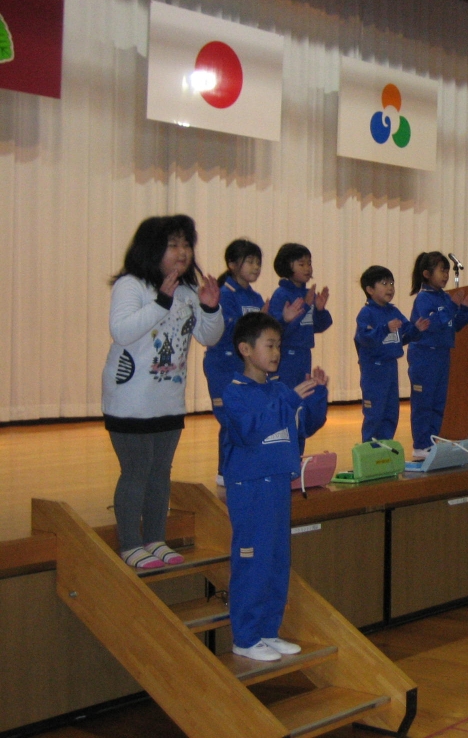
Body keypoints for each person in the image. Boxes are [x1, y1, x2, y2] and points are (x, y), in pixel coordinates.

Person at [101, 215, 223, 570]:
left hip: (168, 399)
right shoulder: (131, 285)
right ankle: (130, 544)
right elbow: (122, 331)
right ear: (152, 249)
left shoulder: (186, 291)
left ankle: (155, 540)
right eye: (173, 245)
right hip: (130, 400)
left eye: (186, 244)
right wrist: (160, 302)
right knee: (136, 471)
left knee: (160, 473)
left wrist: (210, 307)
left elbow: (209, 336)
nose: (183, 252)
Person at [221, 312, 328, 661]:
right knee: (252, 562)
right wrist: (289, 401)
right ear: (245, 349)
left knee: (277, 561)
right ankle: (245, 637)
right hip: (251, 488)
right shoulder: (234, 393)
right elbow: (249, 431)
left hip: (279, 485)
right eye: (269, 345)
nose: (277, 353)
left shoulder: (280, 389)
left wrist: (318, 395)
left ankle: (269, 631)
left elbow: (305, 425)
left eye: (279, 346)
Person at [204, 239, 267, 484]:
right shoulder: (224, 294)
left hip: (245, 365)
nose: (256, 267)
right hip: (223, 364)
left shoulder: (255, 297)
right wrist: (258, 320)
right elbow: (227, 330)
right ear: (232, 264)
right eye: (249, 261)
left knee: (248, 418)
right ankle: (225, 471)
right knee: (230, 418)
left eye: (258, 262)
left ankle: (245, 466)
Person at [408, 252, 468, 459]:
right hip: (424, 355)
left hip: (442, 355)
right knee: (424, 402)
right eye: (442, 271)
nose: (446, 275)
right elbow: (431, 324)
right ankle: (420, 445)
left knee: (438, 402)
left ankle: (431, 442)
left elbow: (453, 324)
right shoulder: (423, 298)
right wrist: (453, 306)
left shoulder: (445, 297)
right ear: (427, 274)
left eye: (447, 271)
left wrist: (464, 310)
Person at [355, 265, 429, 443]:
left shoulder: (393, 311)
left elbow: (403, 336)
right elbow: (365, 338)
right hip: (374, 370)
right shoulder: (366, 313)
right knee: (375, 412)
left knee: (391, 411)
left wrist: (416, 330)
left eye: (392, 283)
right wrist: (385, 328)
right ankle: (369, 451)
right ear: (370, 290)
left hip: (390, 367)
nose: (390, 288)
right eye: (384, 283)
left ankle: (385, 448)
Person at [267, 243, 332, 390]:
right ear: (287, 266)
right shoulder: (281, 294)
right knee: (287, 394)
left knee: (304, 393)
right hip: (285, 354)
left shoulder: (308, 293)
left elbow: (317, 326)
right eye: (301, 264)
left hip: (304, 353)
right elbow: (275, 330)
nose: (307, 268)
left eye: (309, 263)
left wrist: (320, 310)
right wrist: (305, 306)